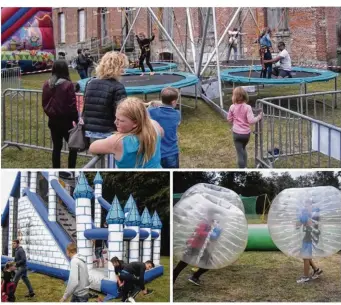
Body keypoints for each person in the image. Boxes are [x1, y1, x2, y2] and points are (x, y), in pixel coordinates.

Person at [89, 97, 164, 168]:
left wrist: (118, 136)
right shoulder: (154, 125)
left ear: (136, 123)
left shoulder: (118, 141)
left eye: (120, 120)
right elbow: (161, 133)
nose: (115, 122)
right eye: (116, 118)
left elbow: (92, 147)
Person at [83, 51, 127, 141]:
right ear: (117, 68)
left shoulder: (90, 83)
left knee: (96, 154)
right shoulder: (117, 87)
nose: (123, 70)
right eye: (122, 67)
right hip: (109, 131)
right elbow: (122, 112)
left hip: (90, 129)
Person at [42, 60, 78, 168]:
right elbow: (72, 105)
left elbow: (44, 103)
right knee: (73, 147)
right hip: (66, 122)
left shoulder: (46, 84)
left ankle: (55, 169)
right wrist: (76, 119)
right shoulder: (68, 85)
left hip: (53, 121)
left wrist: (51, 114)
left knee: (56, 148)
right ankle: (71, 169)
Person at [173, 217, 221, 286]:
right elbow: (200, 232)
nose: (217, 221)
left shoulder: (213, 225)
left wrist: (215, 234)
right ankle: (172, 281)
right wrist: (209, 233)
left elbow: (212, 238)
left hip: (202, 248)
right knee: (182, 264)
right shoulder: (204, 222)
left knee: (209, 263)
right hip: (193, 246)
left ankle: (195, 277)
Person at [227, 87, 263, 168]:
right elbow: (251, 121)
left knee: (239, 153)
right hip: (246, 134)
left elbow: (229, 119)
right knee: (243, 149)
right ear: (245, 96)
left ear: (234, 96)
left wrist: (234, 121)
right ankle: (245, 167)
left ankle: (242, 169)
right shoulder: (247, 107)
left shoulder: (232, 107)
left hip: (236, 134)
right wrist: (259, 117)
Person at [148, 87, 181, 168]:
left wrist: (153, 103)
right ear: (173, 102)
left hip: (156, 154)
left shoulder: (152, 111)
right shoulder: (177, 114)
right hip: (171, 152)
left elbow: (145, 110)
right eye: (177, 101)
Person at [296, 205, 323, 283]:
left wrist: (302, 218)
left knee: (306, 257)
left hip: (309, 237)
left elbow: (298, 225)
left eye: (307, 203)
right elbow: (299, 226)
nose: (305, 206)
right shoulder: (313, 212)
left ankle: (306, 277)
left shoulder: (312, 214)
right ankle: (316, 270)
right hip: (310, 236)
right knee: (305, 255)